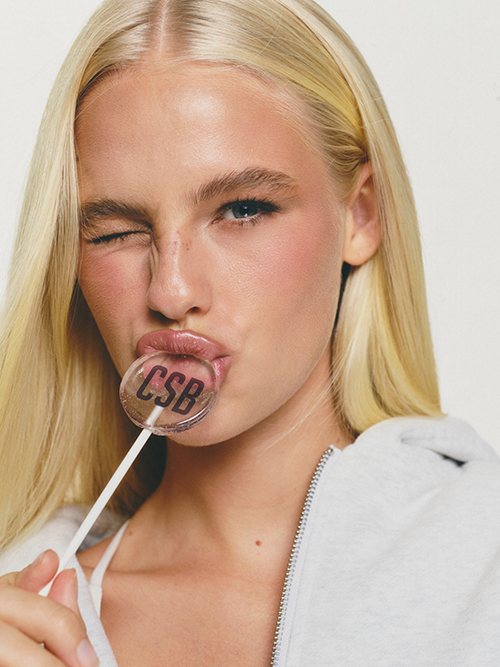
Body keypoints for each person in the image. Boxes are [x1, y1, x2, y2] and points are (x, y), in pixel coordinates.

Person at [0, 0, 499, 665]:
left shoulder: (485, 562)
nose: (171, 290)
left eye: (242, 209)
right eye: (117, 231)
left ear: (360, 215)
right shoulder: (24, 603)